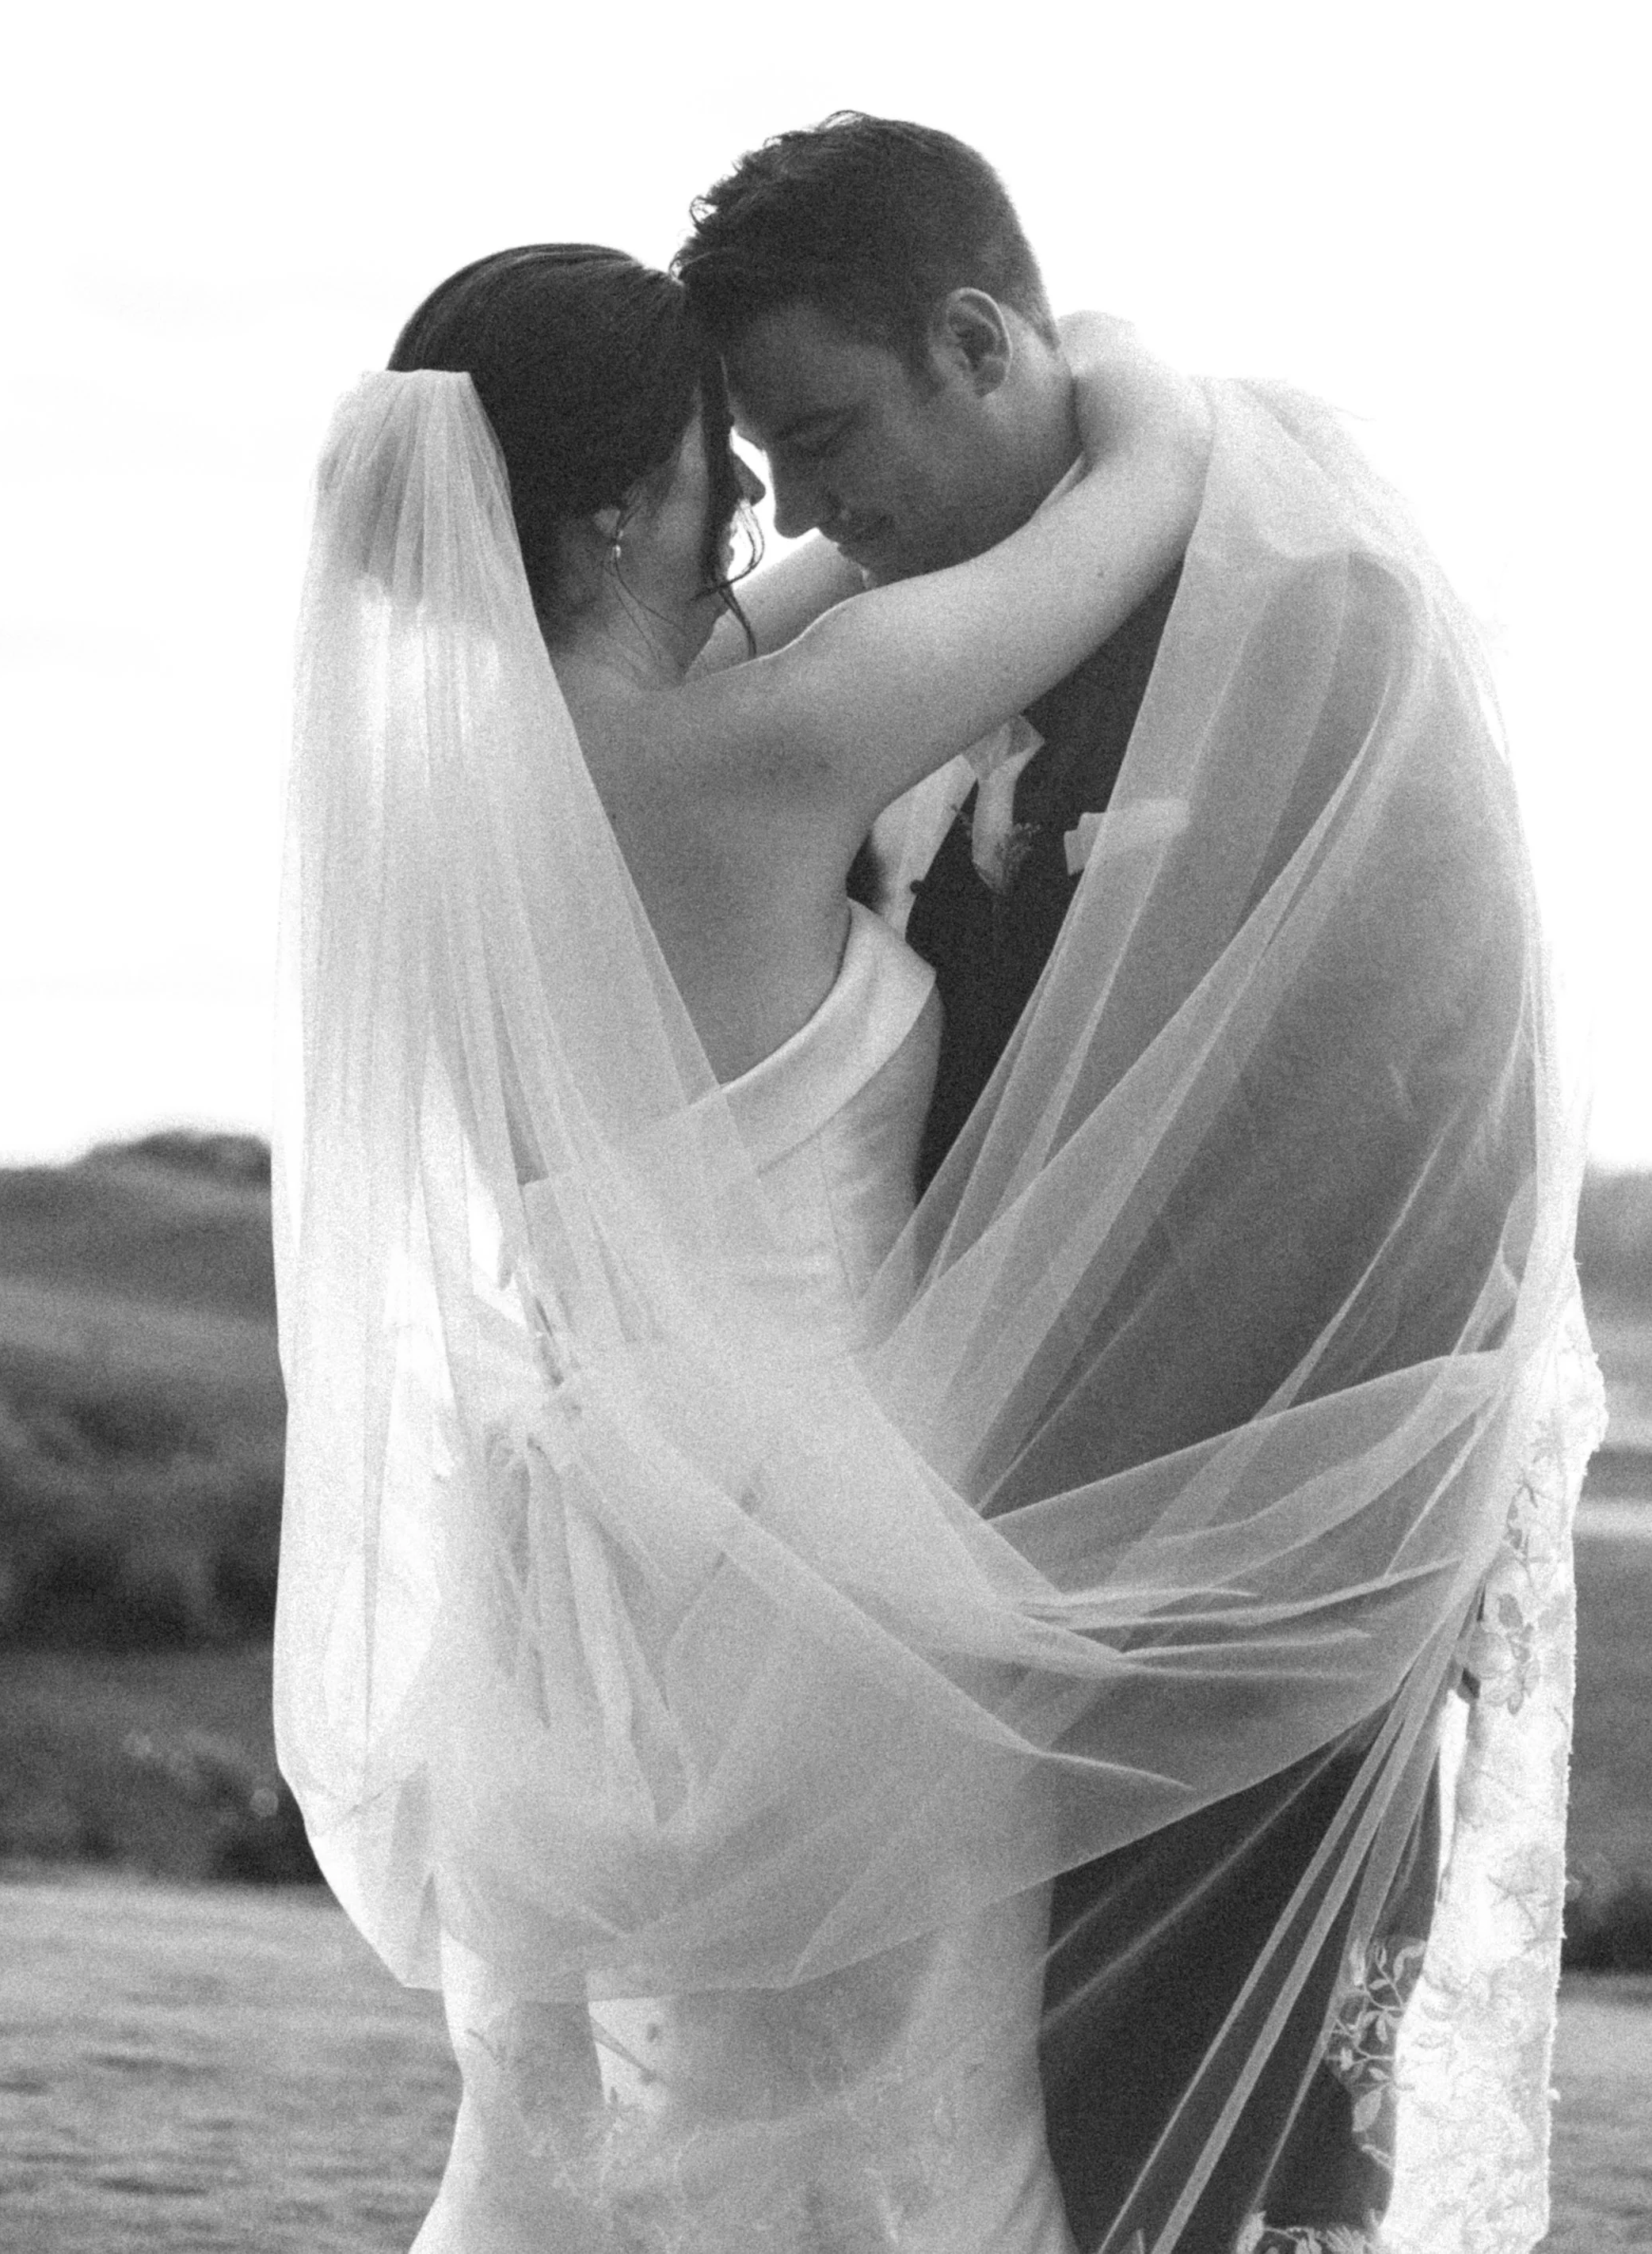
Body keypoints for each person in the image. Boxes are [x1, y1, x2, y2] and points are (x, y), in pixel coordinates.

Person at [272, 230, 1591, 2254]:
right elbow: (1130, 502)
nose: (765, 505)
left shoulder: (448, 804)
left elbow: (810, 594)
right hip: (821, 1588)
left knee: (657, 2126)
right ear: (623, 505)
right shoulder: (762, 750)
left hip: (583, 1579)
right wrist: (1108, 351)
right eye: (727, 454)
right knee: (921, 2153)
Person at [676, 112, 1604, 2253]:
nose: (803, 509)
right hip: (964, 1570)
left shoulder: (1320, 612)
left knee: (1244, 2139)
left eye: (824, 431)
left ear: (980, 339)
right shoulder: (935, 635)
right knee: (1018, 2129)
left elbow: (1430, 1096)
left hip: (1256, 1539)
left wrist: (1271, 1534)